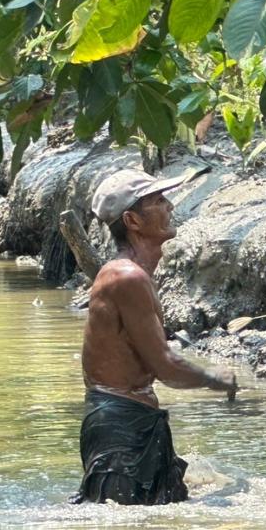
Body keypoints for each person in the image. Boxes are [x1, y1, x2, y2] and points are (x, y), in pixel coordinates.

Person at [72, 167, 238, 506]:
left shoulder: (132, 275)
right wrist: (216, 379)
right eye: (159, 200)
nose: (170, 206)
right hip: (120, 427)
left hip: (131, 420)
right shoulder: (126, 277)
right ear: (133, 221)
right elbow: (166, 367)